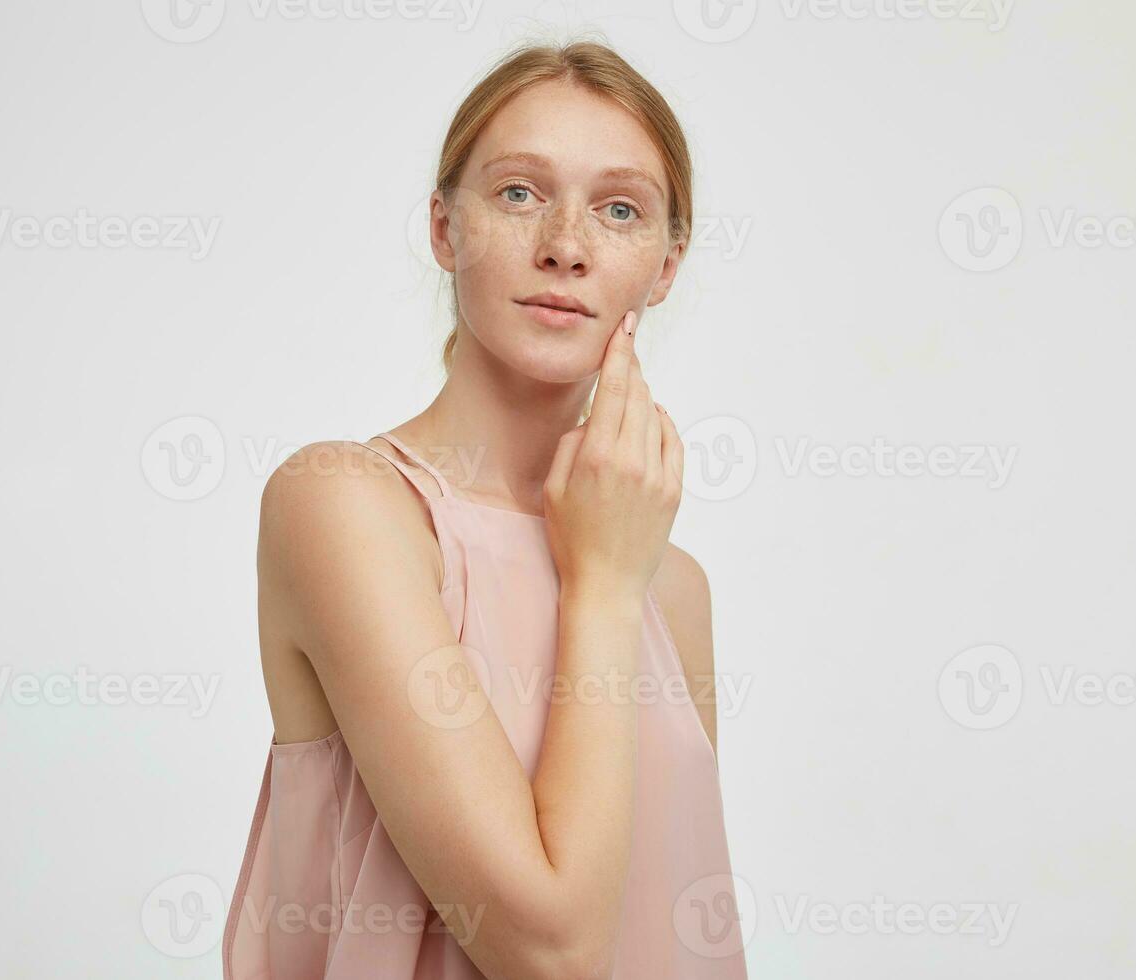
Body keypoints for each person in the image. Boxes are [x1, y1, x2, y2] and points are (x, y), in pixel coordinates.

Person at [224, 39, 749, 979]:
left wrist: (619, 575)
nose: (565, 244)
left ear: (665, 268)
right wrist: (599, 587)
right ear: (442, 227)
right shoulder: (347, 507)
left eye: (620, 209)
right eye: (517, 192)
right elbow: (549, 947)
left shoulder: (670, 587)